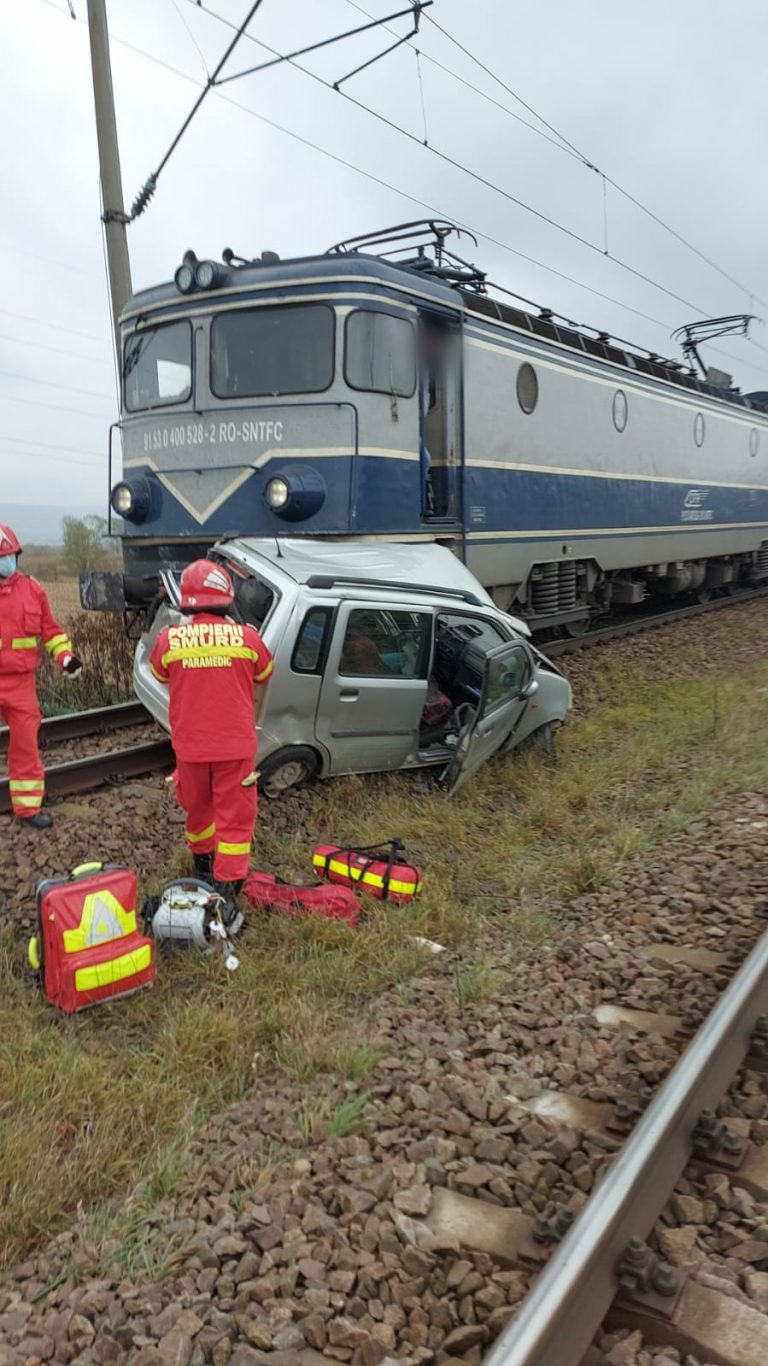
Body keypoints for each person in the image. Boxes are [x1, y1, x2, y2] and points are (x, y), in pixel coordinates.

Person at [150, 559, 273, 900]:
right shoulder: (247, 638)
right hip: (235, 748)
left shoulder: (169, 640)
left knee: (199, 810)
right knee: (234, 819)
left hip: (191, 748)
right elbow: (265, 673)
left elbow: (159, 674)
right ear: (226, 595)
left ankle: (203, 869)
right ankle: (228, 889)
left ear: (186, 600)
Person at [0, 524, 82, 829]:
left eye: (10, 556)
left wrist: (66, 658)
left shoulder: (32, 590)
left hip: (21, 683)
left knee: (25, 747)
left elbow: (51, 631)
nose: (7, 562)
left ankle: (28, 809)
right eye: (1, 558)